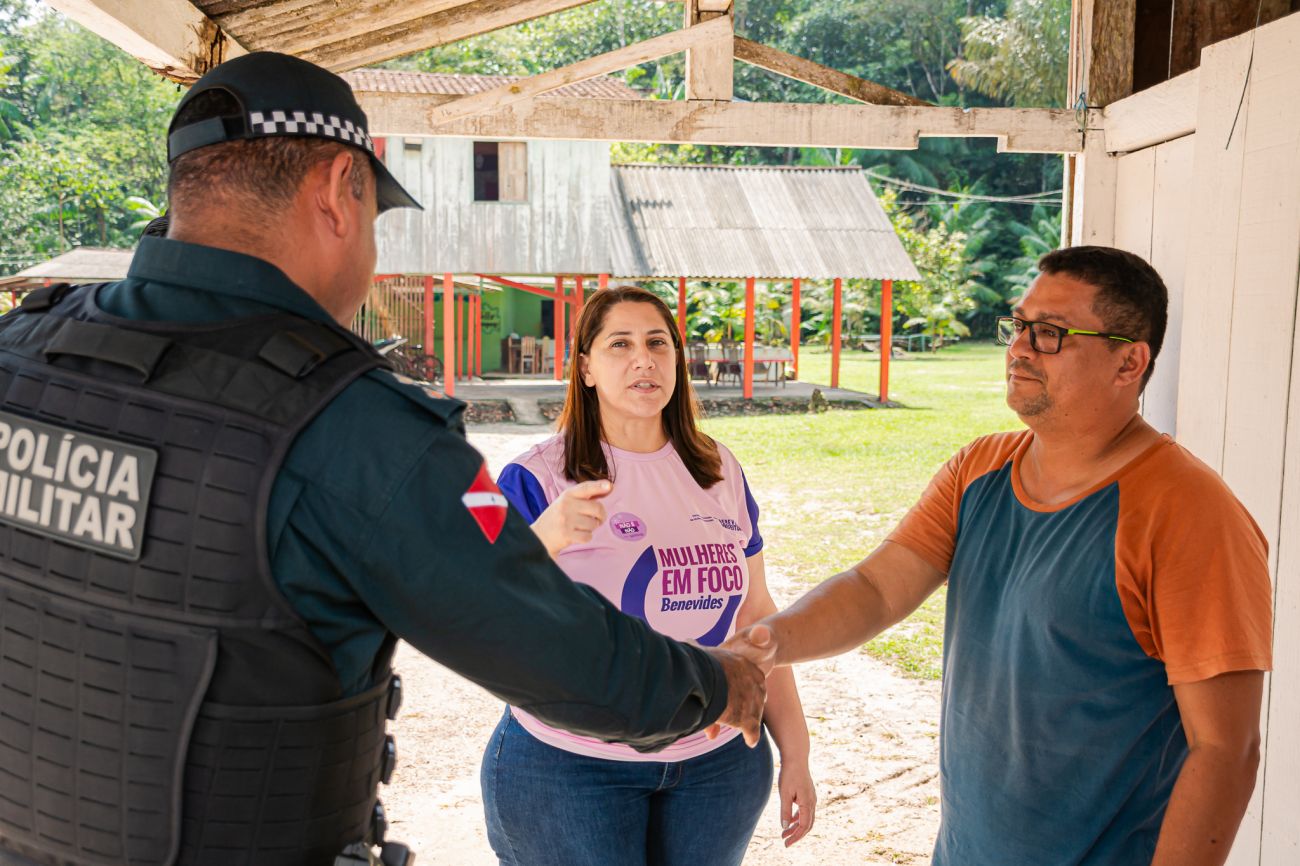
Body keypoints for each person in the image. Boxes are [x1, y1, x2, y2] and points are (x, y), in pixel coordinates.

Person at [0, 52, 772, 866]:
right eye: (375, 218)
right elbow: (547, 647)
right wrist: (716, 682)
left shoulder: (21, 351)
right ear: (339, 190)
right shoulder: (357, 427)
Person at [726, 246, 1274, 866]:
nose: (1019, 349)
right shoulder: (979, 469)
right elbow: (876, 590)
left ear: (1129, 362)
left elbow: (1225, 749)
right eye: (1019, 326)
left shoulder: (1190, 513)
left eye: (1050, 334)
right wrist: (767, 643)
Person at [481, 286, 814, 866]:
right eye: (620, 344)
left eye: (658, 343)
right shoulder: (536, 477)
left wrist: (797, 751)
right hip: (573, 768)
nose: (644, 360)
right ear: (586, 368)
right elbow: (476, 614)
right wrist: (545, 538)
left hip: (718, 766)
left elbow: (756, 615)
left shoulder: (718, 468)